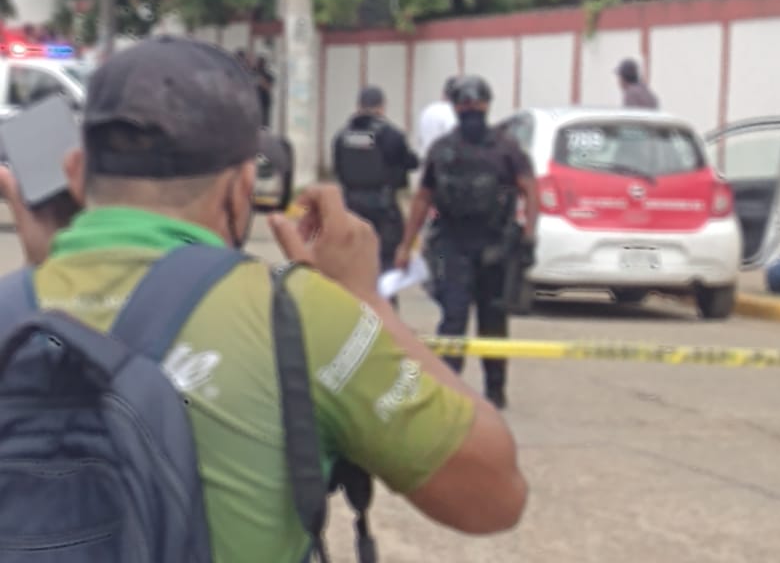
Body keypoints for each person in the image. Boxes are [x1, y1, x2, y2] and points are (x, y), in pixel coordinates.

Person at [0, 38, 527, 561]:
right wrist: (369, 303)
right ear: (242, 186)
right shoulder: (297, 316)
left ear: (74, 173)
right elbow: (495, 495)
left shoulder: (15, 316)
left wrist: (45, 280)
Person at [397, 75, 539, 410]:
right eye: (465, 103)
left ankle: (495, 390)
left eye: (477, 103)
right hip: (453, 244)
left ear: (488, 106)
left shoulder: (506, 148)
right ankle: (448, 390)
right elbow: (423, 198)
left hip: (495, 245)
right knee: (453, 318)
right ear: (456, 107)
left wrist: (529, 234)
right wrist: (406, 244)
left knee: (493, 321)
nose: (471, 108)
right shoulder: (443, 149)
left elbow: (530, 190)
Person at [332, 85, 419, 279]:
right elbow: (410, 161)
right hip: (383, 208)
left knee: (353, 264)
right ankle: (384, 307)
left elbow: (338, 169)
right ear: (382, 107)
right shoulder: (391, 135)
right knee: (385, 267)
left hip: (351, 207)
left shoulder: (342, 136)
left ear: (358, 106)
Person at [417, 76, 461, 161]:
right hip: (445, 164)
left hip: (426, 161)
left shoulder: (427, 110)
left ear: (443, 93)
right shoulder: (453, 112)